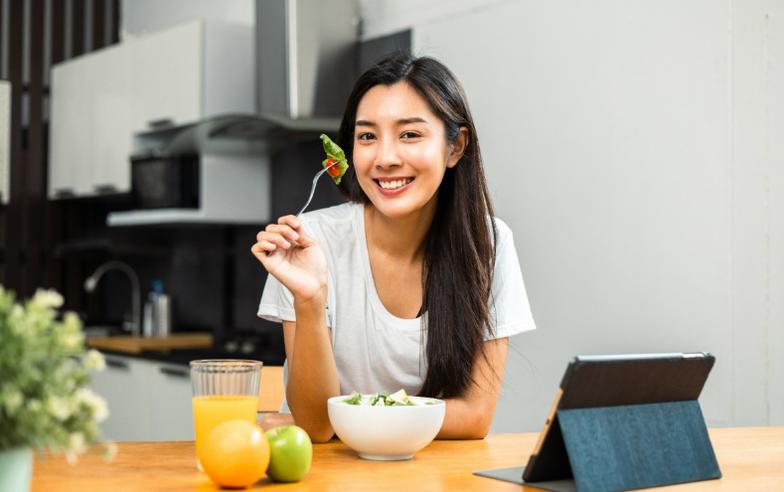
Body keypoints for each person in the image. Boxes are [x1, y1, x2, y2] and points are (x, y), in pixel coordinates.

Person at [252, 53, 535, 442]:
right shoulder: (308, 243)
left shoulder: (488, 243)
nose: (385, 158)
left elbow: (474, 418)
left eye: (410, 134)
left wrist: (352, 413)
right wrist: (311, 299)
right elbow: (316, 426)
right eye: (367, 136)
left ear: (456, 147)